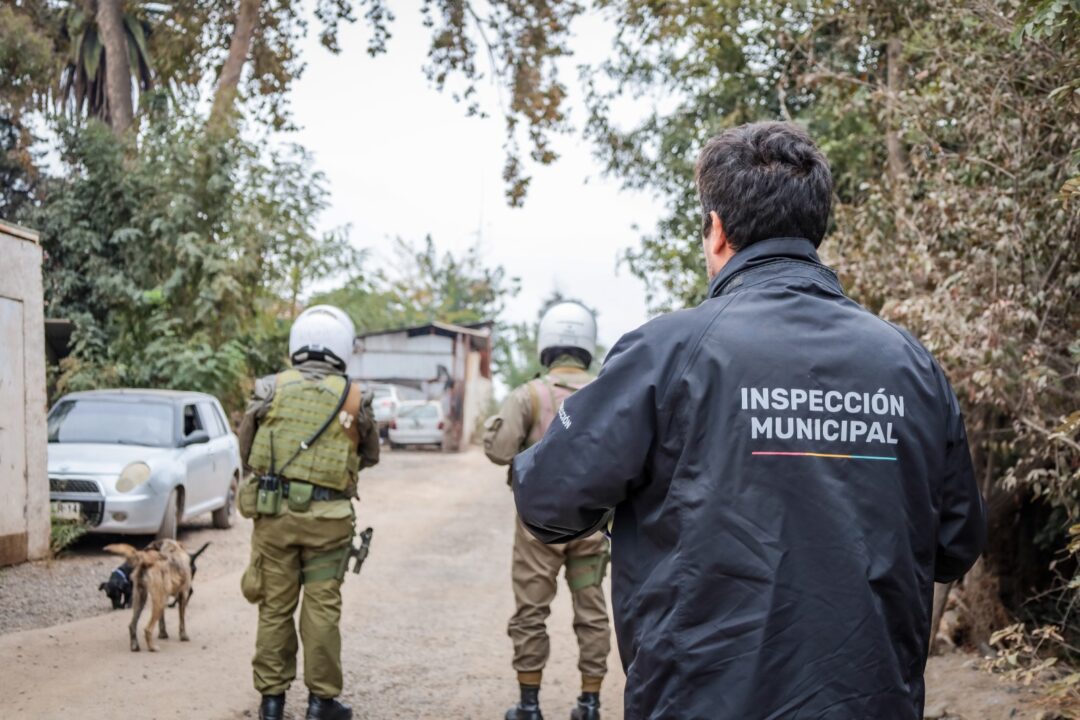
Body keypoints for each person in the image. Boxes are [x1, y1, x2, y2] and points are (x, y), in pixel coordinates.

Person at [512, 122, 987, 719]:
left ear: (716, 230)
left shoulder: (667, 353)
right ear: (815, 229)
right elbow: (956, 544)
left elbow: (547, 498)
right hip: (872, 702)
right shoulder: (911, 364)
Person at [237, 305, 379, 720]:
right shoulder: (354, 397)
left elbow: (246, 450)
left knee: (274, 607)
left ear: (296, 343)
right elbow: (370, 455)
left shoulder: (269, 389)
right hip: (329, 523)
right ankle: (321, 704)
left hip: (274, 518)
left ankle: (272, 703)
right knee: (322, 610)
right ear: (343, 348)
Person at [484, 301, 612, 720]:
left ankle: (529, 705)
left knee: (531, 612)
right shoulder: (607, 390)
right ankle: (590, 704)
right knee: (592, 612)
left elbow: (499, 451)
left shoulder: (529, 394)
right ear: (587, 345)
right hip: (592, 524)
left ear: (547, 345)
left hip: (537, 527)